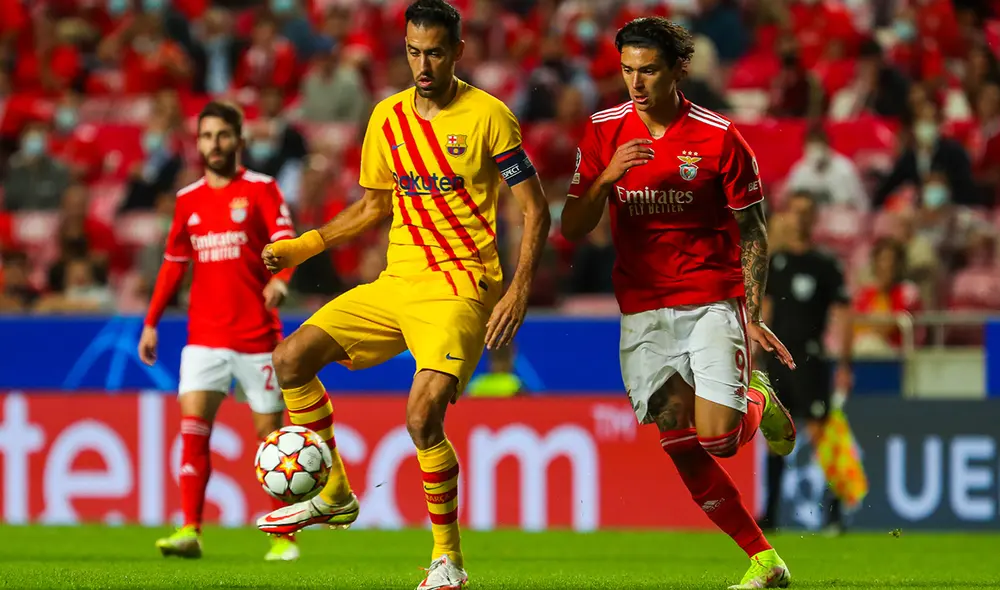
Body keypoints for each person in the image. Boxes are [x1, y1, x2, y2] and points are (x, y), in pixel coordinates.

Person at [254, 2, 551, 589]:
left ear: (458, 52)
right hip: (397, 281)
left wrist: (518, 289)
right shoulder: (386, 118)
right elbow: (373, 206)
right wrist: (301, 248)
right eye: (414, 51)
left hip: (460, 287)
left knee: (421, 416)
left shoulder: (490, 117)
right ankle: (336, 492)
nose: (422, 63)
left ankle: (449, 561)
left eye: (435, 52)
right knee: (289, 359)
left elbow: (535, 209)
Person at [560, 17, 797, 589]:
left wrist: (753, 311)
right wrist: (604, 179)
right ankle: (764, 560)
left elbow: (755, 229)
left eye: (648, 70)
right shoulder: (602, 131)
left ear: (677, 70)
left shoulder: (718, 137)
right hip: (641, 308)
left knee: (717, 436)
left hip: (709, 300)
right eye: (627, 70)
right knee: (676, 432)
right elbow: (571, 225)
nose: (635, 83)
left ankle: (756, 401)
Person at [138, 101, 301, 562]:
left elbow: (286, 245)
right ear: (198, 143)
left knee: (271, 440)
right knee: (193, 429)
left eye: (222, 136)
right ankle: (189, 528)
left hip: (257, 337)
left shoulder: (262, 189)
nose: (214, 144)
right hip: (204, 337)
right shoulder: (187, 199)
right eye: (206, 136)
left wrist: (280, 281)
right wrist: (150, 322)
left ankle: (283, 538)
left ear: (238, 140)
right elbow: (173, 265)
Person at [760, 190, 854, 535]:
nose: (800, 218)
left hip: (812, 357)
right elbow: (765, 311)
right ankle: (769, 513)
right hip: (777, 357)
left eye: (806, 212)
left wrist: (845, 362)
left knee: (818, 431)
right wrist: (758, 355)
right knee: (774, 432)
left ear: (815, 218)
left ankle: (834, 509)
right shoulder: (777, 261)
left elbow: (843, 315)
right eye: (795, 211)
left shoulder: (825, 264)